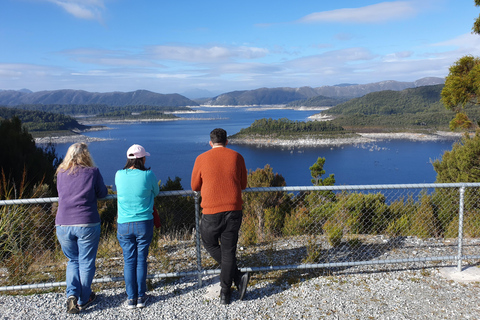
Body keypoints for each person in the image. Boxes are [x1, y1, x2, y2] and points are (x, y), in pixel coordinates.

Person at [191, 128, 250, 305]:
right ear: (227, 141)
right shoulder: (237, 156)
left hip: (210, 211)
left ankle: (237, 278)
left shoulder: (201, 158)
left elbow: (194, 186)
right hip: (233, 209)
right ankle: (227, 291)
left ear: (210, 142)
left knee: (209, 243)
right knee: (228, 250)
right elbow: (244, 184)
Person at [55, 142, 108, 314]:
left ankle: (72, 295)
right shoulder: (92, 172)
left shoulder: (61, 173)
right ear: (86, 155)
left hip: (63, 223)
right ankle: (84, 298)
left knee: (73, 260)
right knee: (86, 262)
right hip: (86, 222)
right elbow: (102, 193)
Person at [115, 144, 159, 309]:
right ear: (142, 159)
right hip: (144, 223)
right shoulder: (148, 174)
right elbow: (156, 191)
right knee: (141, 260)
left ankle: (131, 298)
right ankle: (141, 297)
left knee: (129, 261)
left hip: (124, 224)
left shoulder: (119, 175)